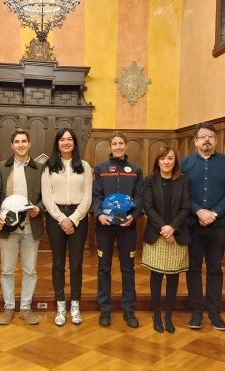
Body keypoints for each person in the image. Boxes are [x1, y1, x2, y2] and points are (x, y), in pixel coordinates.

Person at [180, 122, 225, 331]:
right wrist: (198, 211)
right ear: (195, 141)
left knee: (215, 268)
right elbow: (182, 192)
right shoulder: (184, 163)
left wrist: (213, 213)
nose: (207, 140)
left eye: (210, 136)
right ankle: (196, 311)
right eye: (202, 136)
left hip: (219, 224)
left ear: (216, 139)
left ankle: (214, 312)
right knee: (194, 268)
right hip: (193, 225)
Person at [0, 128, 44, 326]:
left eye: (24, 141)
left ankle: (26, 308)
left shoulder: (40, 168)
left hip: (31, 227)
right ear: (12, 145)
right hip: (8, 228)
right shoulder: (1, 168)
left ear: (29, 144)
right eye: (17, 142)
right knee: (7, 270)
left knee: (30, 270)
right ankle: (9, 307)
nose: (21, 145)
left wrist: (39, 208)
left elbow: (46, 196)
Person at [41, 128, 92, 326]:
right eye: (62, 139)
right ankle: (61, 306)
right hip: (56, 218)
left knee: (77, 264)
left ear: (74, 143)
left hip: (79, 217)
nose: (66, 142)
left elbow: (87, 196)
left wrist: (74, 219)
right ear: (57, 143)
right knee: (58, 263)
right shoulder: (49, 166)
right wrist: (62, 219)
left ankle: (75, 306)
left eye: (70, 139)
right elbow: (47, 197)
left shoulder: (85, 166)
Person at [92, 131, 143, 328]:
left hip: (127, 227)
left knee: (128, 268)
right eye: (115, 143)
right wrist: (99, 214)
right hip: (105, 226)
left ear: (126, 145)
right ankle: (105, 309)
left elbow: (140, 197)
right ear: (110, 146)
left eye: (121, 143)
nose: (118, 146)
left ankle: (129, 309)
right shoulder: (101, 169)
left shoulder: (136, 170)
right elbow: (96, 195)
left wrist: (134, 216)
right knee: (104, 267)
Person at [141, 145, 191, 334]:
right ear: (158, 161)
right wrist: (164, 229)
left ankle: (168, 315)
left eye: (170, 158)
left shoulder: (183, 181)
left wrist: (172, 228)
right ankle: (156, 315)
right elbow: (148, 206)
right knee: (156, 277)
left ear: (175, 161)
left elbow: (186, 207)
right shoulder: (149, 180)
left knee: (173, 277)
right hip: (157, 235)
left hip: (176, 235)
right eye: (163, 158)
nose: (166, 162)